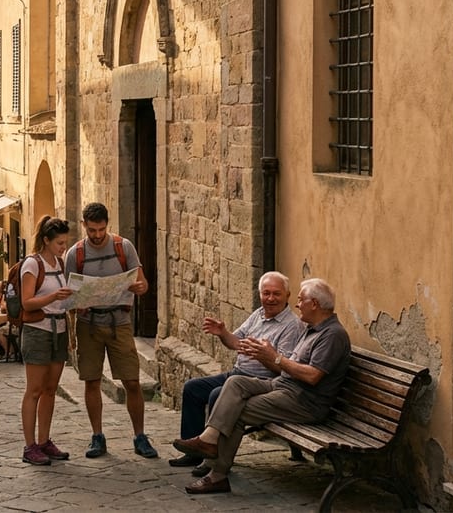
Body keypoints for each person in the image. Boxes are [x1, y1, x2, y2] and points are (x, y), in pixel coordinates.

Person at [172, 278, 351, 494]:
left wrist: (274, 358)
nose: (297, 304)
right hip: (283, 386)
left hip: (304, 401)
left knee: (236, 411)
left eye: (300, 300)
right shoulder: (312, 328)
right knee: (235, 382)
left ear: (314, 304)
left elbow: (313, 376)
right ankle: (208, 439)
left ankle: (217, 474)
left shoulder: (332, 335)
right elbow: (283, 361)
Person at [170, 271, 305, 475]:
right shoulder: (258, 314)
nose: (270, 298)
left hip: (262, 382)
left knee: (217, 394)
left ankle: (213, 459)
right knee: (193, 388)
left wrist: (264, 355)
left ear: (287, 295)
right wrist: (223, 333)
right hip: (237, 373)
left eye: (276, 294)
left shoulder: (291, 326)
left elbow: (283, 368)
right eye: (266, 293)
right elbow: (235, 343)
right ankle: (195, 451)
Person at [64, 202, 158, 459]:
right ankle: (97, 436)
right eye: (92, 230)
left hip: (120, 322)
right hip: (89, 324)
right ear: (84, 225)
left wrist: (140, 287)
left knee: (132, 381)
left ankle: (140, 436)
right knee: (91, 380)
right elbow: (69, 295)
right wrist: (73, 324)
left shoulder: (122, 247)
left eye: (101, 229)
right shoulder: (75, 254)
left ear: (108, 225)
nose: (96, 235)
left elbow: (142, 282)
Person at [19, 216, 74, 465]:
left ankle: (44, 441)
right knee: (34, 390)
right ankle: (29, 446)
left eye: (65, 242)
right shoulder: (32, 264)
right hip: (38, 331)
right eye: (59, 243)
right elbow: (26, 302)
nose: (63, 247)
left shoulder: (60, 264)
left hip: (59, 330)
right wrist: (53, 296)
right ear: (46, 241)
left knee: (51, 390)